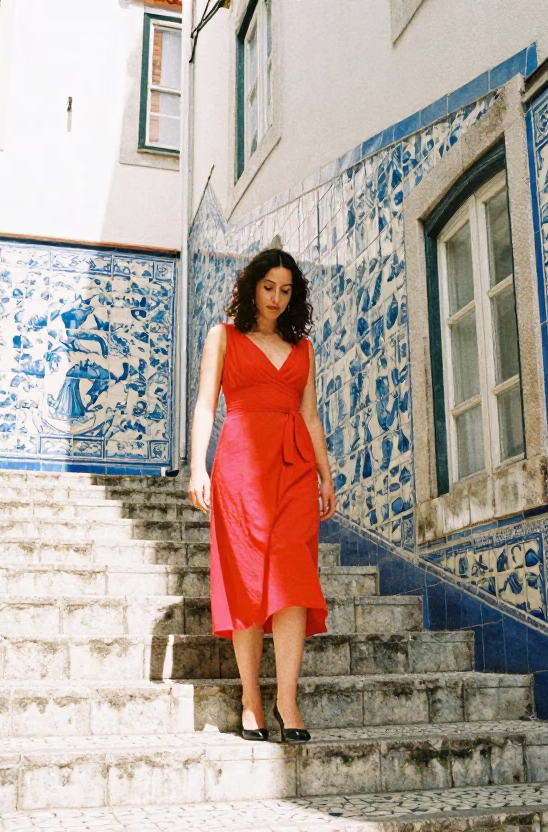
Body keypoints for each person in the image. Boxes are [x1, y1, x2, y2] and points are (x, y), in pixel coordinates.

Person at [188, 248, 335, 743]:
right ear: (252, 286)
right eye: (269, 286)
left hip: (295, 468)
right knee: (248, 579)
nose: (276, 298)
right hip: (240, 467)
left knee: (292, 579)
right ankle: (251, 696)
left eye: (286, 290)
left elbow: (311, 415)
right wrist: (197, 467)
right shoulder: (223, 337)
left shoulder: (304, 348)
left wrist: (326, 475)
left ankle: (286, 699)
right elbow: (207, 404)